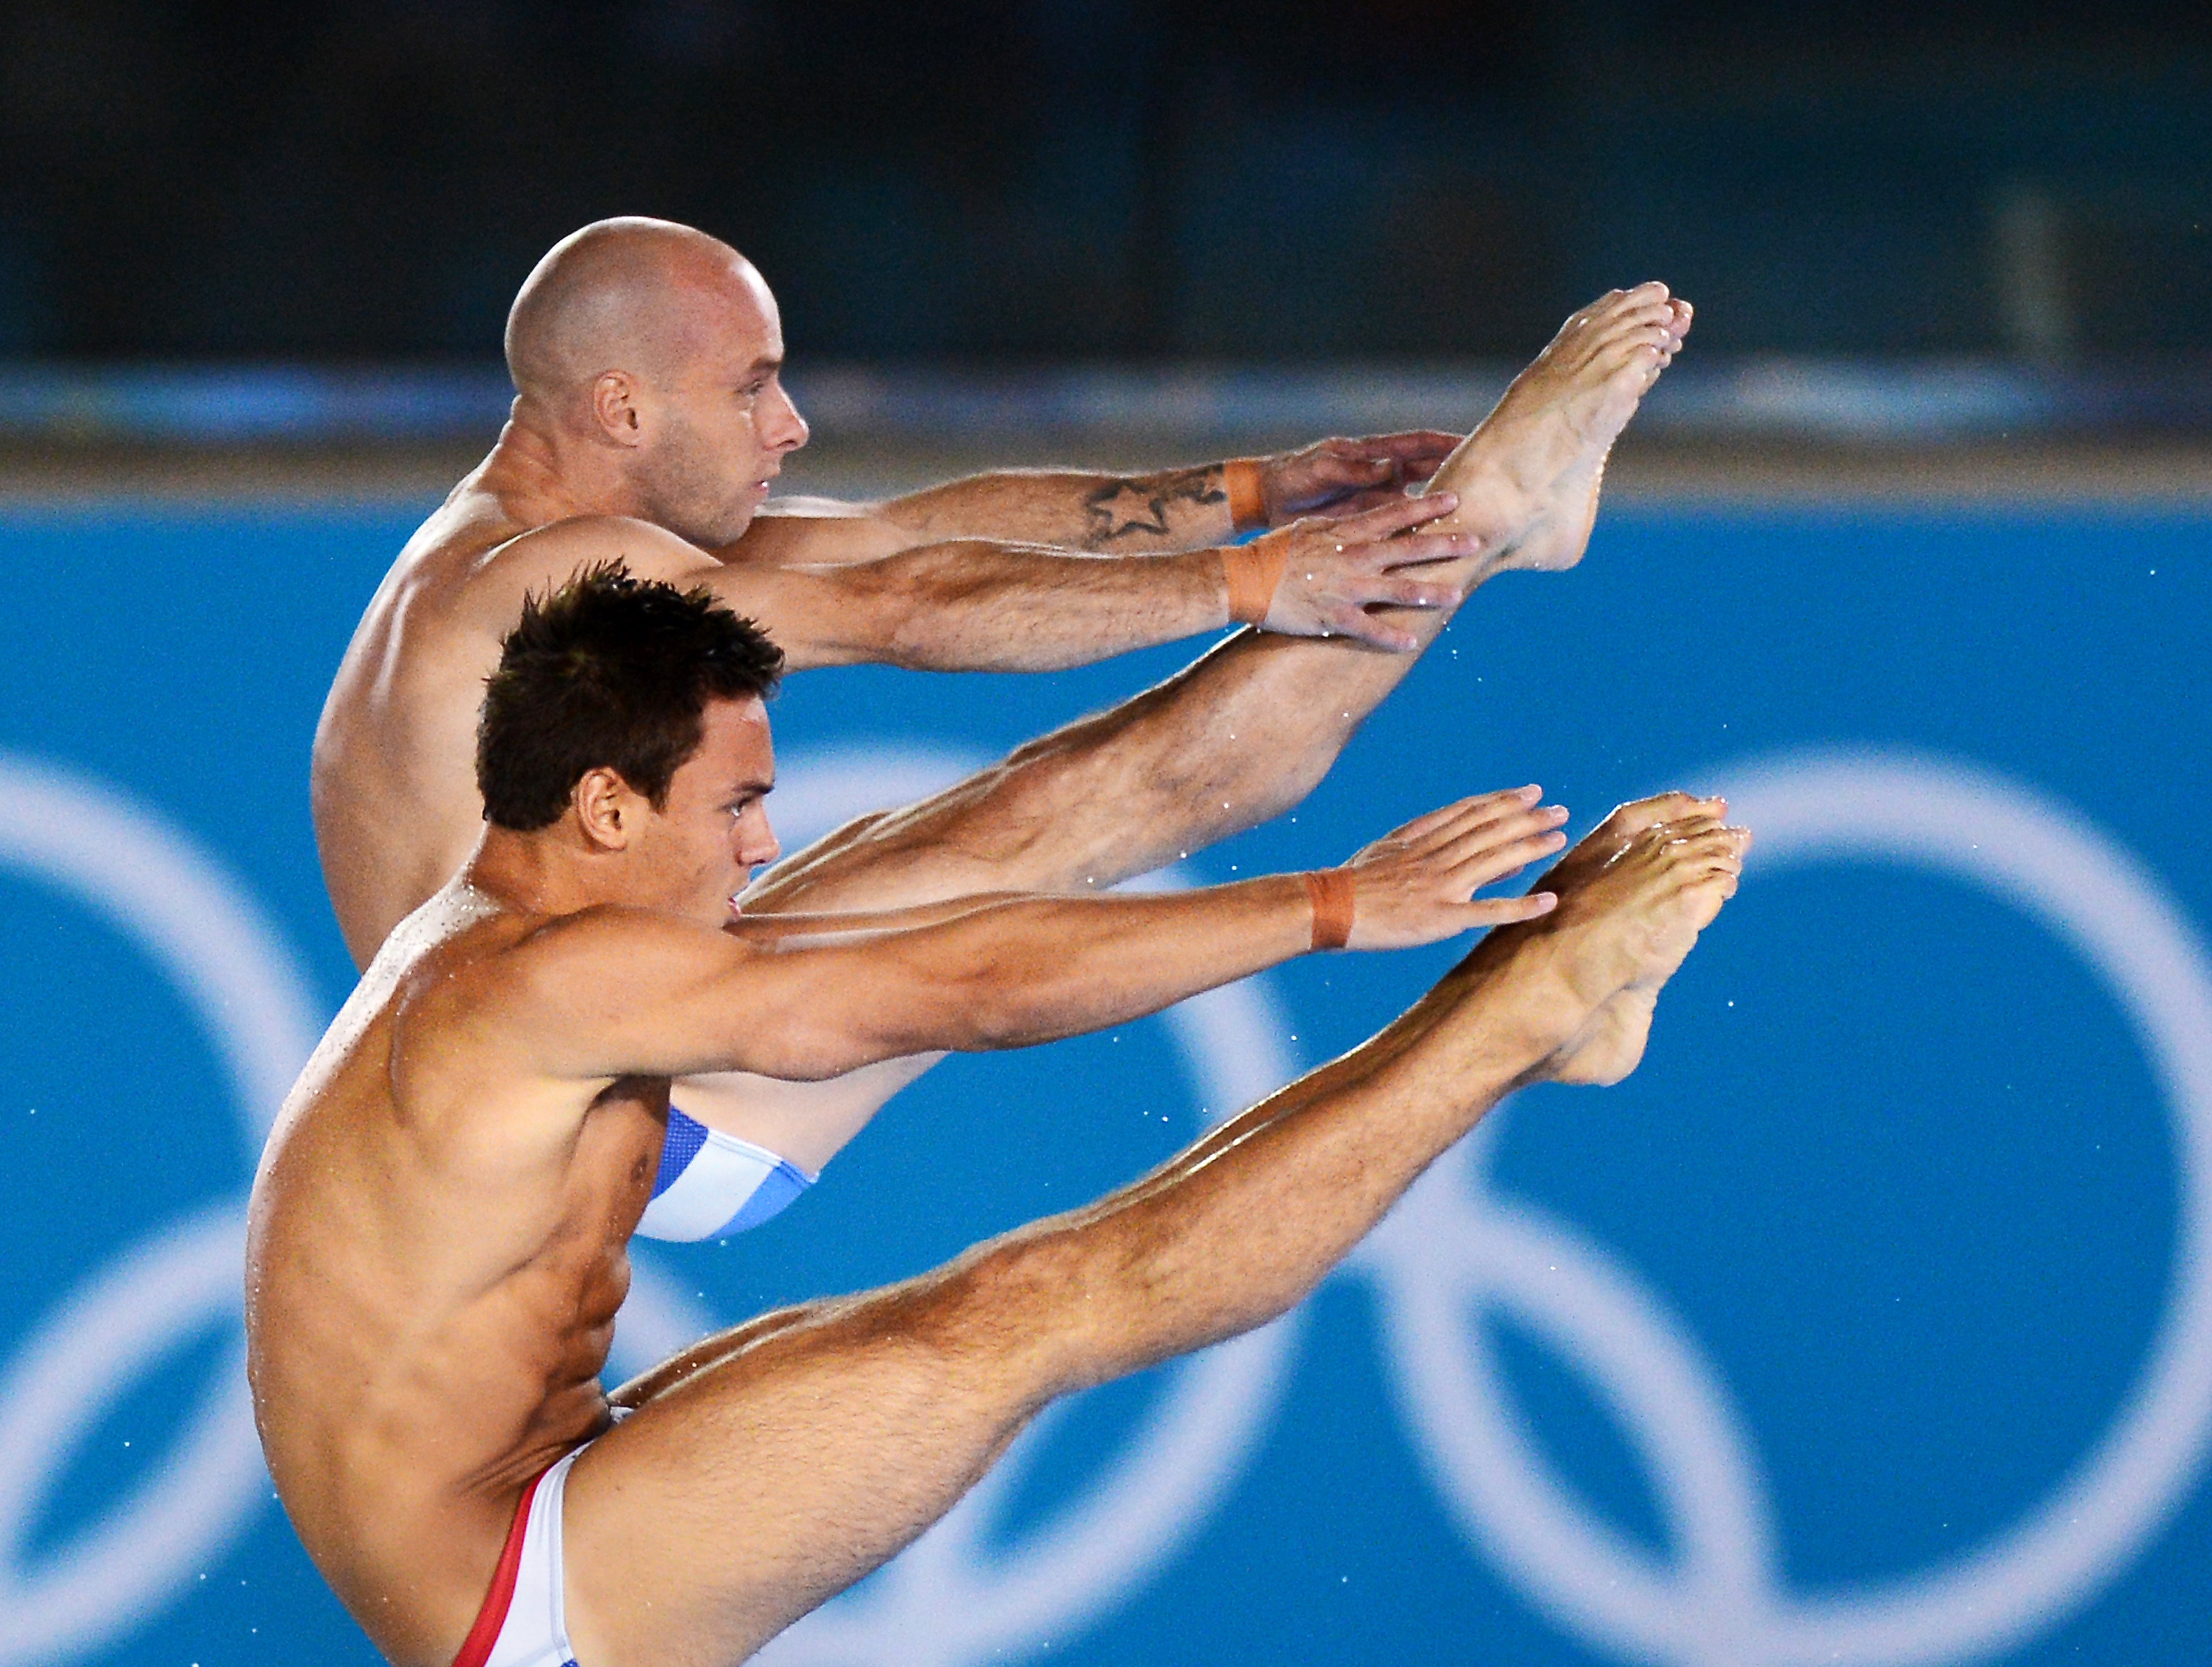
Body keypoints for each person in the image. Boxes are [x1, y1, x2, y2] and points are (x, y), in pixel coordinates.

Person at [246, 531, 1746, 1667]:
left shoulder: (511, 928)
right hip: (524, 1612)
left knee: (995, 1017)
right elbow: (960, 991)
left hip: (545, 1481)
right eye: (739, 806)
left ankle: (1531, 1005)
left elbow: (946, 880)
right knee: (1037, 1308)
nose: (760, 847)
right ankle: (1528, 1009)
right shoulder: (531, 983)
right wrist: (1334, 906)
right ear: (603, 804)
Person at [311, 214, 1692, 1239]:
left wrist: (1259, 490)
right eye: (752, 385)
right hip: (635, 1118)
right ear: (622, 405)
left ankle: (1490, 534)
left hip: (608, 1066)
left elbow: (916, 526)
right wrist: (1256, 580)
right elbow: (911, 604)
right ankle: (1491, 520)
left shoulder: (510, 546)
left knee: (1041, 807)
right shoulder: (551, 583)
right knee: (1112, 797)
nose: (788, 424)